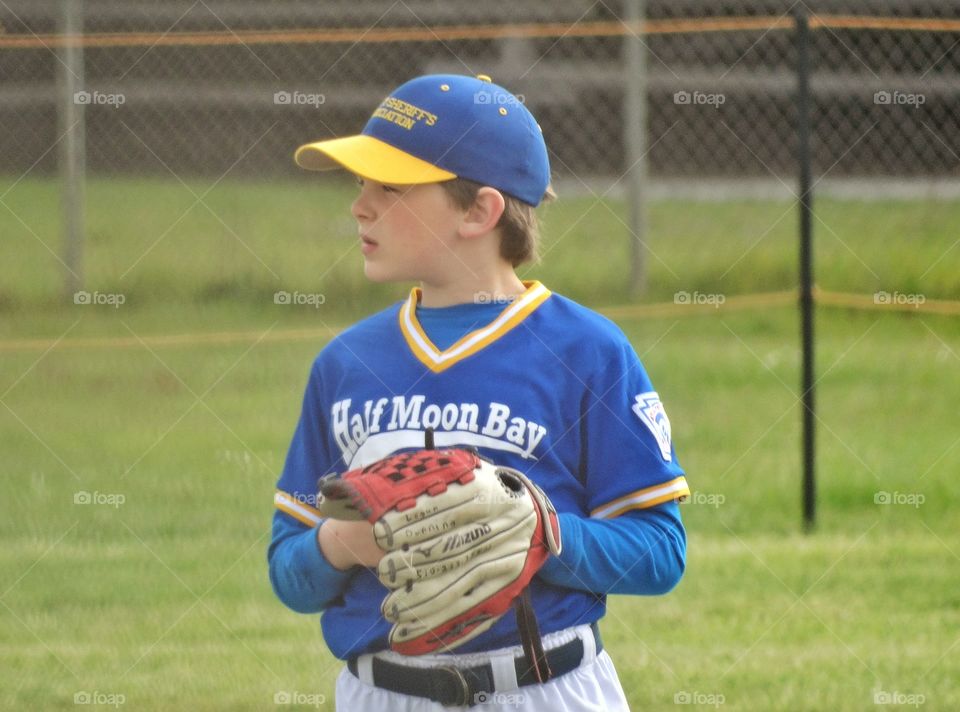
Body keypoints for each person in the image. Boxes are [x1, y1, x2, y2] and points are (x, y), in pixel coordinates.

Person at [268, 73, 690, 711]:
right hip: (381, 693)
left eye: (392, 187)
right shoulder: (346, 362)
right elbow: (288, 572)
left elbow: (660, 551)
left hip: (542, 687)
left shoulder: (585, 351)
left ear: (480, 211)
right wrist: (344, 543)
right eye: (362, 185)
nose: (361, 206)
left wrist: (543, 535)